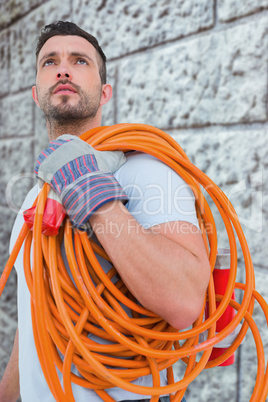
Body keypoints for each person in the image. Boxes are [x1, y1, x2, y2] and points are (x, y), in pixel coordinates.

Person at [0, 21, 210, 402]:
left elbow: (184, 302)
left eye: (80, 60)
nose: (63, 69)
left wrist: (93, 196)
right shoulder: (34, 198)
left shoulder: (146, 172)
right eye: (50, 62)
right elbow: (36, 316)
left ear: (105, 91)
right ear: (35, 93)